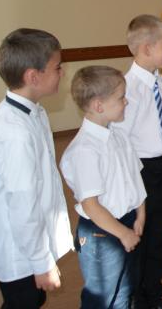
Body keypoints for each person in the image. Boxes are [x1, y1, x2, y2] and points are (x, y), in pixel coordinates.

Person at [0, 29, 73, 309]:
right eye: (57, 67)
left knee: (33, 299)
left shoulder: (34, 111)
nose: (62, 73)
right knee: (23, 302)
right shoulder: (15, 133)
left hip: (31, 242)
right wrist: (41, 262)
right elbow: (22, 204)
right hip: (19, 250)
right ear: (33, 76)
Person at [60, 66, 146, 309]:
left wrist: (140, 213)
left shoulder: (118, 135)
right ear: (99, 105)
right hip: (101, 232)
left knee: (126, 287)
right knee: (102, 295)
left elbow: (134, 178)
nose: (126, 101)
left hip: (127, 221)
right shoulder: (85, 150)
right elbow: (91, 205)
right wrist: (123, 233)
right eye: (121, 97)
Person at [111, 15, 162, 309]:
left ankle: (153, 287)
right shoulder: (127, 89)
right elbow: (121, 140)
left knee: (160, 229)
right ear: (147, 48)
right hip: (140, 169)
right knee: (142, 231)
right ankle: (139, 295)